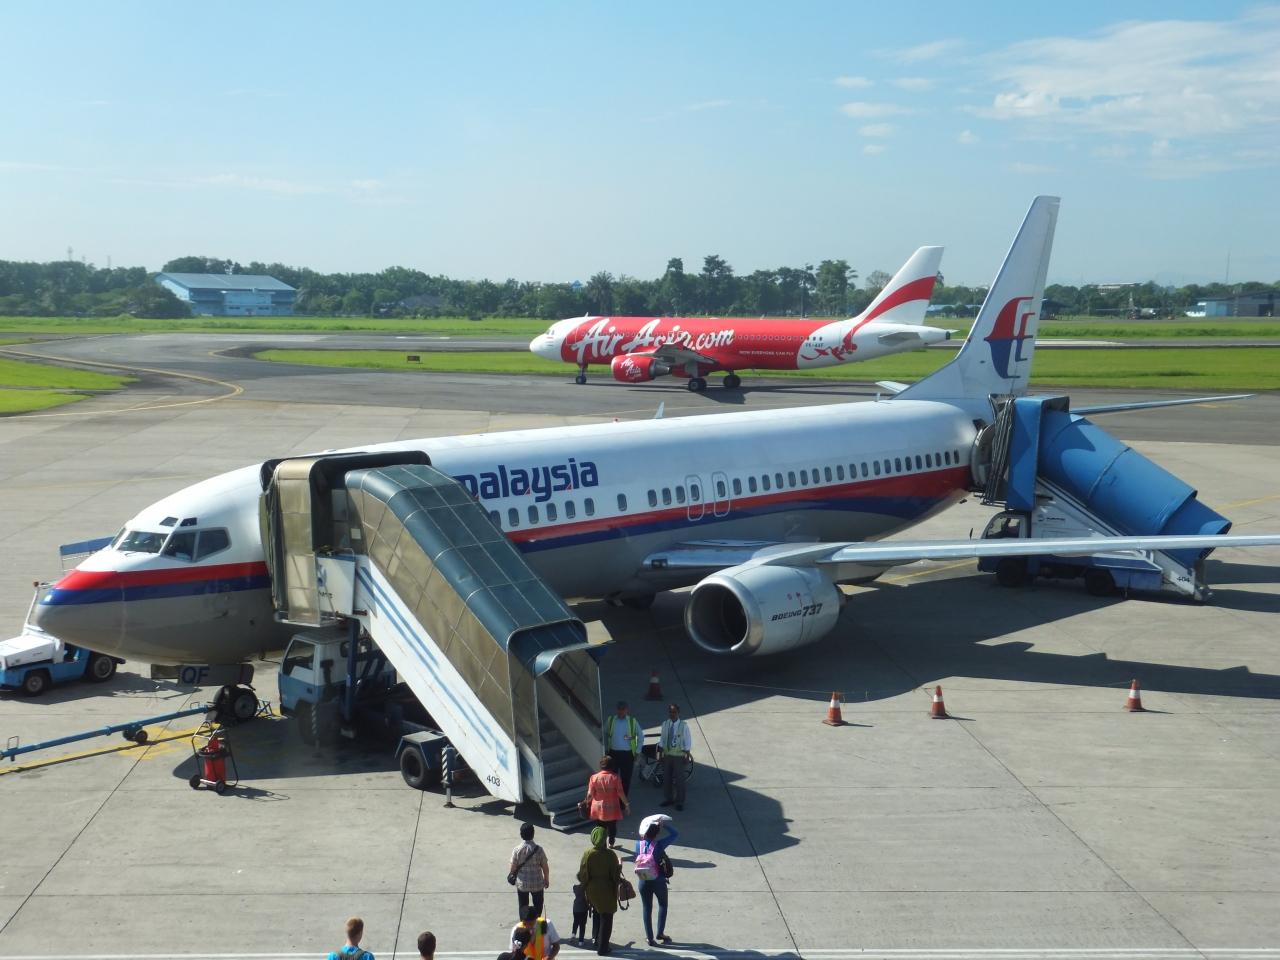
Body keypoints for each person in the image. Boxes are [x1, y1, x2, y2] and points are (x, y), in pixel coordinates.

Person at [634, 819, 679, 946]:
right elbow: (675, 834)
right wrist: (664, 825)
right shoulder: (659, 845)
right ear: (657, 834)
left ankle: (650, 938)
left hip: (643, 880)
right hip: (658, 881)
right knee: (663, 905)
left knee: (646, 908)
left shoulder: (638, 844)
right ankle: (660, 933)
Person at [577, 825, 621, 956]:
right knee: (607, 917)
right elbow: (615, 876)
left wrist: (586, 886)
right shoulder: (611, 855)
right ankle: (603, 947)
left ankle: (595, 939)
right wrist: (619, 866)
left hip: (592, 889)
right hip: (606, 888)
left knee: (596, 912)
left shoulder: (588, 854)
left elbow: (582, 874)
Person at [583, 755, 629, 848]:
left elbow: (590, 794)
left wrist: (586, 802)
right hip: (612, 808)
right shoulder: (615, 777)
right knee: (612, 827)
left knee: (600, 828)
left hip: (598, 808)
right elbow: (620, 792)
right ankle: (611, 843)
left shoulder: (594, 777)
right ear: (612, 766)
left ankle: (602, 845)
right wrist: (626, 804)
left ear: (601, 766)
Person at [508, 822, 550, 914]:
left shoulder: (517, 850)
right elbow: (545, 868)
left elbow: (512, 869)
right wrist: (546, 879)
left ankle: (524, 922)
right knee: (538, 908)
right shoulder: (539, 850)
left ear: (521, 835)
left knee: (523, 907)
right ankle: (537, 922)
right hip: (537, 884)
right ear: (533, 834)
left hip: (522, 885)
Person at [657, 703, 692, 811]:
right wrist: (660, 754)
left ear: (678, 713)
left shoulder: (683, 725)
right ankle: (669, 799)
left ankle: (679, 801)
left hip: (679, 756)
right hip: (667, 755)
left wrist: (687, 756)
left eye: (674, 712)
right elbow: (662, 739)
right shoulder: (665, 724)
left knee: (679, 779)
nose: (672, 714)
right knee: (667, 778)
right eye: (670, 712)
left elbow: (688, 741)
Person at [604, 700, 643, 793]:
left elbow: (641, 736)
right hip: (613, 754)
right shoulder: (610, 720)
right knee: (612, 777)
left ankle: (623, 799)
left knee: (626, 778)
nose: (621, 711)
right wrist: (605, 749)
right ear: (616, 709)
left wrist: (638, 752)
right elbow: (604, 733)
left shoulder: (632, 721)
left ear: (626, 710)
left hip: (627, 755)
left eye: (623, 709)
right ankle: (613, 797)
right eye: (619, 709)